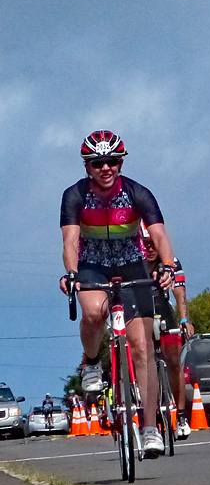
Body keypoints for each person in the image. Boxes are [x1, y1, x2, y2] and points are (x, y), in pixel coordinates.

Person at [59, 130, 177, 458]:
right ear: (88, 167)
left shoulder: (139, 193)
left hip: (132, 265)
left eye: (112, 161)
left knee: (142, 347)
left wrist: (166, 266)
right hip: (92, 265)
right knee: (94, 313)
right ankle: (93, 363)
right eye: (98, 163)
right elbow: (70, 243)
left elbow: (159, 234)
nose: (106, 168)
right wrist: (71, 273)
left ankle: (150, 426)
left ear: (121, 162)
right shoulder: (75, 196)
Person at [140, 223, 195, 440]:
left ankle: (181, 416)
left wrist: (184, 319)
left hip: (163, 310)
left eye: (154, 243)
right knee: (141, 356)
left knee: (173, 359)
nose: (151, 248)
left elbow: (179, 292)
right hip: (141, 311)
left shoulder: (170, 260)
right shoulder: (134, 262)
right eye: (146, 244)